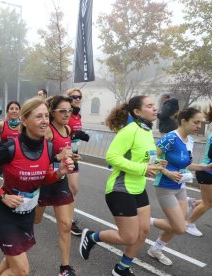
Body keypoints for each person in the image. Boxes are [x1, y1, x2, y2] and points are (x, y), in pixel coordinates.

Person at [0, 97, 74, 276]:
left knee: (10, 261)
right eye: (38, 117)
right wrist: (2, 195)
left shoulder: (49, 148)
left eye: (46, 116)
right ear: (24, 120)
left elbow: (44, 178)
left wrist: (60, 173)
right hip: (5, 215)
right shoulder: (9, 148)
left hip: (27, 214)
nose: (44, 121)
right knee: (21, 271)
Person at [79, 95, 165, 276]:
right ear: (137, 111)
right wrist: (143, 168)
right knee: (128, 237)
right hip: (121, 188)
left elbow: (144, 158)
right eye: (149, 106)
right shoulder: (130, 130)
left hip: (138, 188)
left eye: (154, 106)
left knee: (143, 232)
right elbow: (112, 157)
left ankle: (121, 268)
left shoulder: (147, 131)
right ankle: (92, 237)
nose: (154, 109)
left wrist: (158, 164)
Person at [147, 107, 212, 265]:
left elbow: (187, 164)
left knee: (175, 225)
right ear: (184, 121)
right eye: (196, 122)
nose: (199, 126)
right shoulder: (171, 138)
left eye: (201, 123)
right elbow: (151, 157)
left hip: (180, 187)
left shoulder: (190, 140)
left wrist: (204, 167)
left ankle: (156, 249)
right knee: (180, 227)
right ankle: (144, 220)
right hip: (165, 186)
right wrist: (166, 172)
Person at [34, 95, 79, 276]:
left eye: (69, 110)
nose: (67, 114)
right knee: (34, 221)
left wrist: (69, 157)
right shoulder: (48, 131)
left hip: (59, 182)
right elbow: (38, 157)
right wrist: (58, 157)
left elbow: (62, 152)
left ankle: (65, 268)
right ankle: (13, 250)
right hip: (43, 183)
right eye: (62, 110)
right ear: (52, 112)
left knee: (65, 225)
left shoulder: (67, 129)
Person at [66, 88, 90, 235]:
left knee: (73, 189)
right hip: (61, 154)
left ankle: (69, 220)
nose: (77, 98)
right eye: (73, 96)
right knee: (44, 185)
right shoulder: (65, 113)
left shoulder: (77, 115)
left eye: (79, 96)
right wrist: (74, 133)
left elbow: (74, 133)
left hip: (74, 154)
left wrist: (80, 136)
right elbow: (57, 131)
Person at [187, 106, 212, 236]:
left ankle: (192, 203)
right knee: (208, 202)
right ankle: (189, 223)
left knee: (209, 201)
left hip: (207, 171)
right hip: (207, 171)